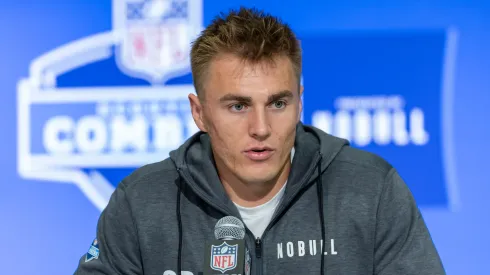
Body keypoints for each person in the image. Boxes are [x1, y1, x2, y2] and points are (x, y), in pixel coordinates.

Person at [75, 6, 445, 275]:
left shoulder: (371, 190)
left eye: (278, 103)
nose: (261, 127)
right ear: (199, 112)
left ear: (300, 102)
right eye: (238, 106)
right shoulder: (141, 202)